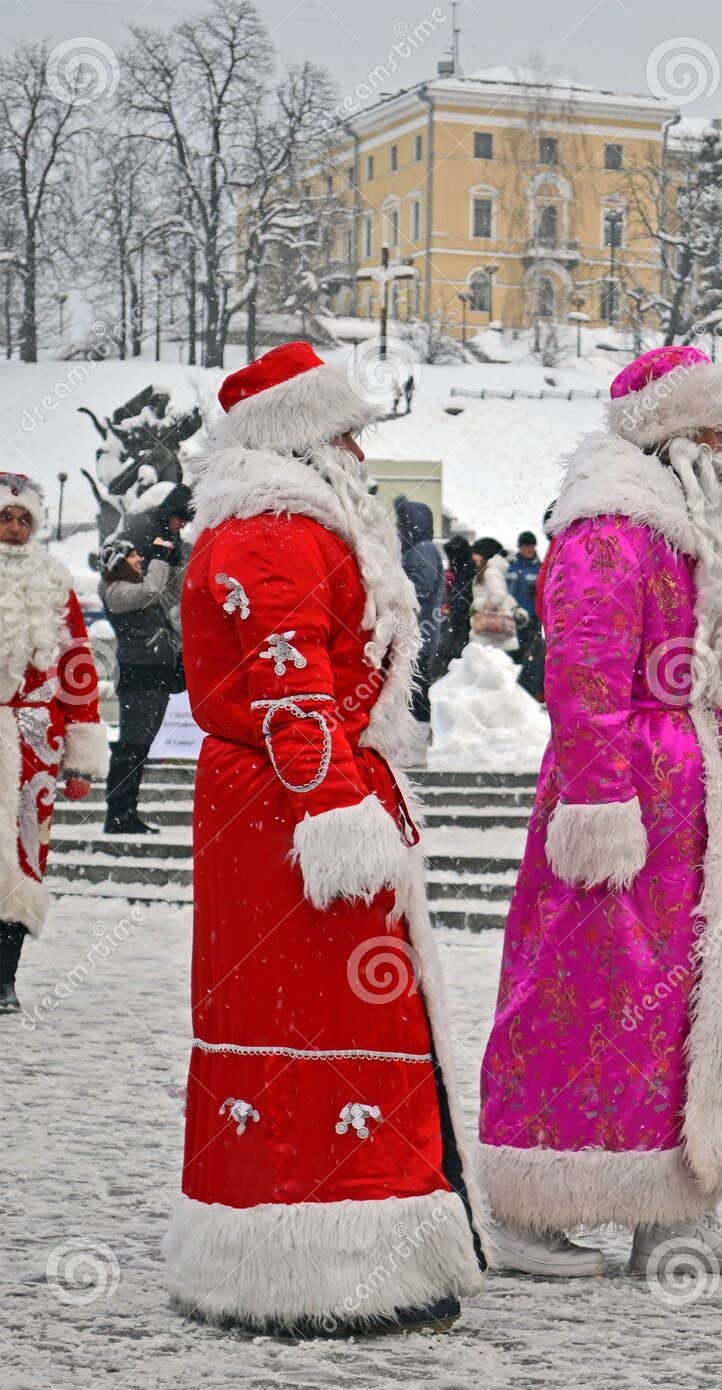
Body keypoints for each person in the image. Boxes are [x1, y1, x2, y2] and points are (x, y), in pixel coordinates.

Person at [164, 342, 483, 1334]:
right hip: (292, 814)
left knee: (348, 1016)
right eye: (344, 429)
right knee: (324, 1018)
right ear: (302, 438)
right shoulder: (273, 530)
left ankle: (362, 1243)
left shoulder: (289, 521)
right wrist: (336, 812)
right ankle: (323, 1260)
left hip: (295, 802)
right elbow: (290, 689)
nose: (357, 447)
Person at [478, 345, 722, 1278]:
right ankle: (536, 1208)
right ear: (671, 435)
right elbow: (583, 676)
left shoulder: (679, 521)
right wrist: (601, 799)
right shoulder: (611, 527)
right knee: (586, 993)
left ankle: (674, 1206)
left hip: (692, 789)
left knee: (689, 1000)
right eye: (715, 430)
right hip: (626, 792)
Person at [0, 474, 108, 1012]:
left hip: (36, 746)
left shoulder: (55, 583)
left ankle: (4, 978)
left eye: (25, 520)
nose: (15, 529)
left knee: (25, 859)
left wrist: (80, 758)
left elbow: (77, 670)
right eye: (5, 518)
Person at [99, 483, 193, 833]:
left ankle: (126, 813)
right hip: (140, 676)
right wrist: (159, 557)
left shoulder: (130, 589)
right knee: (132, 746)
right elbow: (152, 588)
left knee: (140, 746)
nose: (138, 557)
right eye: (133, 557)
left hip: (152, 675)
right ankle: (118, 815)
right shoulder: (117, 593)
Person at [394, 496, 444, 766]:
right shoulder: (419, 549)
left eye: (403, 521)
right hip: (417, 633)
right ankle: (413, 745)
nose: (400, 527)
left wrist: (393, 582)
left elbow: (419, 590)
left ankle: (416, 748)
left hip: (418, 634)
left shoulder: (422, 550)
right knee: (415, 688)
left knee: (416, 688)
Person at [507, 530, 545, 698]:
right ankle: (509, 688)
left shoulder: (540, 567)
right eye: (524, 546)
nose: (527, 549)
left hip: (532, 619)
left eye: (530, 546)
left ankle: (527, 692)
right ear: (519, 547)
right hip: (510, 617)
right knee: (509, 654)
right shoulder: (510, 565)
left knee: (530, 655)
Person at [470, 537, 522, 653]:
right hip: (491, 634)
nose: (473, 556)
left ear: (485, 555)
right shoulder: (489, 571)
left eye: (476, 553)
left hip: (491, 633)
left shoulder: (490, 572)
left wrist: (480, 605)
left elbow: (499, 595)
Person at [437, 533, 476, 674]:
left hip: (461, 617)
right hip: (458, 615)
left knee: (452, 649)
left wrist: (452, 604)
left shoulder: (466, 567)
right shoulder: (460, 565)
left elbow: (462, 593)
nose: (450, 559)